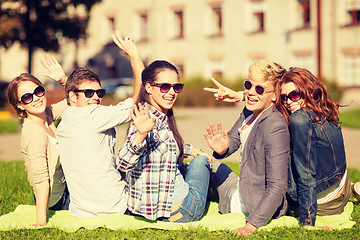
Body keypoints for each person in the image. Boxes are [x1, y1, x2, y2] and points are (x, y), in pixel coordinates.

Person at [56, 32, 144, 217]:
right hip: (115, 206)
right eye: (89, 93)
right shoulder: (94, 116)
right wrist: (134, 56)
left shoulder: (64, 121)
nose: (96, 97)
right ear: (72, 96)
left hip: (81, 211)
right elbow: (140, 96)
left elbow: (74, 98)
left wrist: (65, 80)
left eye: (99, 92)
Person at [116, 60, 212, 222]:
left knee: (200, 158)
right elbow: (123, 164)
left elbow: (166, 144)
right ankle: (235, 201)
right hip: (182, 211)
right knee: (202, 162)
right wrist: (140, 134)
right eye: (165, 87)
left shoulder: (160, 118)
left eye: (177, 87)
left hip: (156, 210)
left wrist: (194, 150)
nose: (172, 92)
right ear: (148, 88)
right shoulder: (144, 121)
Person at [203, 60, 290, 236]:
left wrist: (251, 225)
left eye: (259, 89)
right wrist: (222, 148)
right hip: (242, 187)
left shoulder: (275, 126)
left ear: (275, 95)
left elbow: (277, 186)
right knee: (205, 163)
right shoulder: (250, 111)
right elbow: (234, 140)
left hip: (247, 204)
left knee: (200, 167)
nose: (250, 92)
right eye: (248, 85)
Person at [276, 67, 353, 227]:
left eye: (294, 95)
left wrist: (307, 221)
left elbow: (306, 173)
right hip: (341, 189)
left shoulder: (299, 119)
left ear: (309, 91)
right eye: (284, 98)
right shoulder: (324, 108)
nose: (289, 102)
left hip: (325, 204)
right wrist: (243, 95)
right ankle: (353, 188)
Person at [6, 55, 69, 226]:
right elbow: (41, 180)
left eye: (38, 91)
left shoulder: (46, 115)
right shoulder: (34, 132)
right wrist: (41, 220)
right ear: (20, 105)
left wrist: (64, 80)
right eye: (27, 97)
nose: (36, 98)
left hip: (67, 188)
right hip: (57, 201)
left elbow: (77, 99)